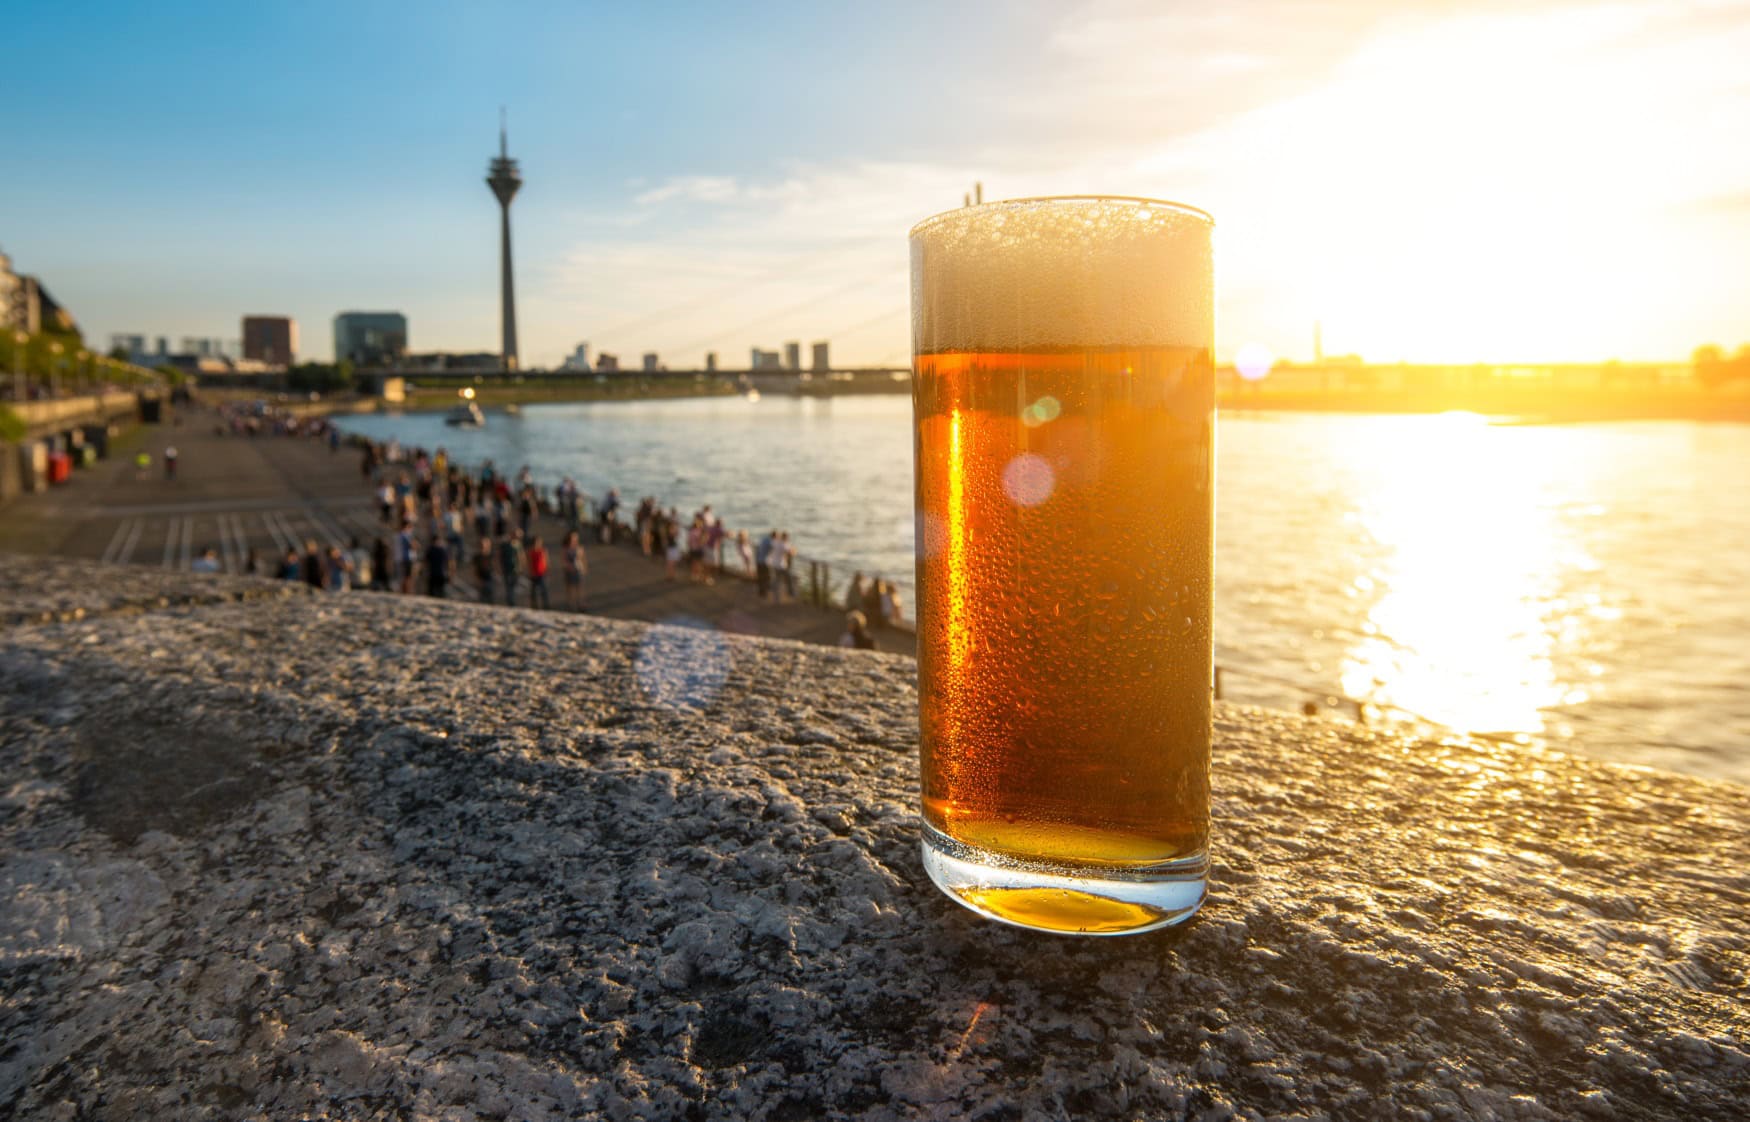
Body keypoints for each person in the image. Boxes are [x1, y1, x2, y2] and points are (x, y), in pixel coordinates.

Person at [560, 530, 587, 612]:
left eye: (576, 537)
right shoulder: (566, 548)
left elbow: (583, 559)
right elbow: (563, 560)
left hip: (578, 570)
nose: (575, 539)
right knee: (570, 589)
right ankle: (570, 604)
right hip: (569, 571)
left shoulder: (579, 547)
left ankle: (580, 604)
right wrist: (568, 566)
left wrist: (585, 568)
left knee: (579, 588)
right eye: (573, 537)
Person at [497, 530, 522, 607]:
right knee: (508, 586)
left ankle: (512, 600)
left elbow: (520, 556)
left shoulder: (518, 545)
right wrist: (499, 567)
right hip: (507, 568)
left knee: (513, 585)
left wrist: (520, 566)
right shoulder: (505, 545)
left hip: (515, 569)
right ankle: (511, 602)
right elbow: (500, 556)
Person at [526, 535, 550, 610]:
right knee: (533, 591)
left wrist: (547, 570)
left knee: (544, 590)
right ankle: (534, 606)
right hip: (534, 573)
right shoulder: (531, 551)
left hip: (542, 573)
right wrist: (531, 572)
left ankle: (546, 606)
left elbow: (546, 561)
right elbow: (529, 562)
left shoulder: (543, 550)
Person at [473, 537, 497, 603]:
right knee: (482, 599)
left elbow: (495, 566)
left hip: (490, 578)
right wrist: (477, 579)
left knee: (491, 598)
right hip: (481, 579)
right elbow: (475, 569)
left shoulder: (491, 555)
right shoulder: (477, 557)